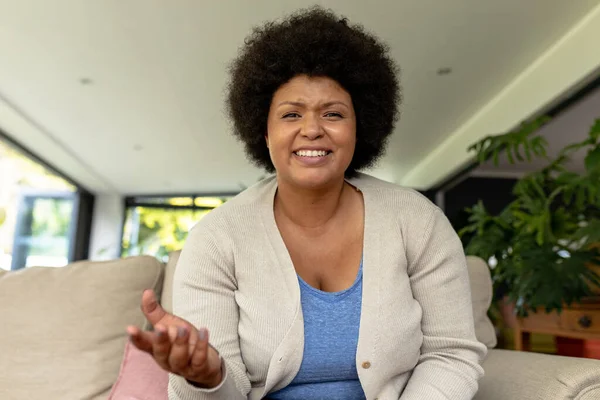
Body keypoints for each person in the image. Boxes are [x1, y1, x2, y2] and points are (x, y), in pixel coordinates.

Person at [127, 6, 487, 400]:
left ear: (358, 128)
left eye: (333, 114)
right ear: (264, 133)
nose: (312, 129)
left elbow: (450, 355)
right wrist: (206, 376)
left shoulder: (419, 221)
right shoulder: (216, 239)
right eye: (291, 114)